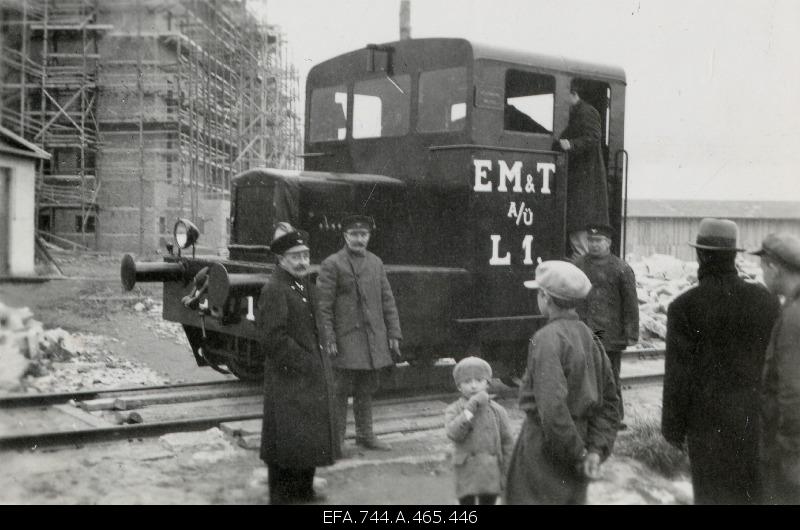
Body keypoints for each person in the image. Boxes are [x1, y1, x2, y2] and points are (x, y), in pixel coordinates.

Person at [662, 218, 779, 505]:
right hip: (755, 421)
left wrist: (673, 430)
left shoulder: (683, 306)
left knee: (713, 496)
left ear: (700, 254)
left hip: (707, 427)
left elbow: (677, 375)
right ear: (735, 255)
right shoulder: (765, 301)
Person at [505, 260, 619, 505]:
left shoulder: (545, 339)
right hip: (581, 440)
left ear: (545, 297)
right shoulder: (591, 337)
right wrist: (595, 451)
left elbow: (553, 409)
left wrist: (578, 453)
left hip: (545, 451)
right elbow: (610, 402)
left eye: (538, 292)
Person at [257, 228, 338, 504]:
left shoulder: (305, 285)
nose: (303, 261)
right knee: (285, 448)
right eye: (295, 257)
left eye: (305, 255)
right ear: (281, 259)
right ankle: (282, 499)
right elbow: (273, 340)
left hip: (309, 382)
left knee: (307, 444)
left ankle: (304, 493)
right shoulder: (275, 289)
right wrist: (307, 363)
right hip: (289, 383)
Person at [317, 214, 403, 455]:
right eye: (354, 235)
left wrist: (394, 333)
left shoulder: (376, 263)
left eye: (363, 234)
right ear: (345, 236)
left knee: (366, 389)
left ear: (369, 236)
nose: (359, 239)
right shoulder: (332, 264)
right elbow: (323, 307)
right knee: (339, 391)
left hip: (370, 342)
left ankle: (365, 435)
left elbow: (388, 301)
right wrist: (329, 338)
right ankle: (337, 442)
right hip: (344, 342)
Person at [574, 223, 639, 430]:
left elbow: (630, 303)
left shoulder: (621, 268)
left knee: (610, 376)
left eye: (598, 241)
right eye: (591, 241)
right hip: (586, 329)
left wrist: (631, 333)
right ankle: (589, 416)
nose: (593, 245)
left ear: (608, 243)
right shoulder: (579, 265)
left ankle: (614, 418)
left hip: (611, 333)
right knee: (586, 375)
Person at [752, 233, 800, 504]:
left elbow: (793, 392)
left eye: (762, 267)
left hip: (790, 459)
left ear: (774, 267)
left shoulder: (793, 317)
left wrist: (789, 456)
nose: (762, 274)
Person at [444, 356, 514, 506]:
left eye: (479, 381)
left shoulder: (498, 411)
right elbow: (454, 433)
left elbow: (507, 443)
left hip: (490, 473)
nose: (474, 386)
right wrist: (470, 409)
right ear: (459, 387)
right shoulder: (454, 409)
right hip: (466, 472)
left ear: (487, 384)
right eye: (467, 382)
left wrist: (507, 474)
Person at [553, 81, 610, 258]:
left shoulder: (587, 112)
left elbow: (593, 137)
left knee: (579, 236)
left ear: (573, 94)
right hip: (577, 179)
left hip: (584, 181)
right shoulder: (574, 113)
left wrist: (570, 144)